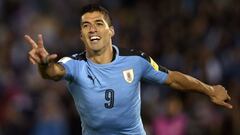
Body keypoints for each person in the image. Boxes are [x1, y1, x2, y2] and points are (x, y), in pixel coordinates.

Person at [24, 4, 232, 135]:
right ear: (81, 35)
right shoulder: (74, 64)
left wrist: (210, 90)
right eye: (86, 25)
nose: (92, 29)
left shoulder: (136, 60)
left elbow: (173, 78)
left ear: (111, 31)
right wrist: (43, 64)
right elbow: (52, 72)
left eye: (98, 23)